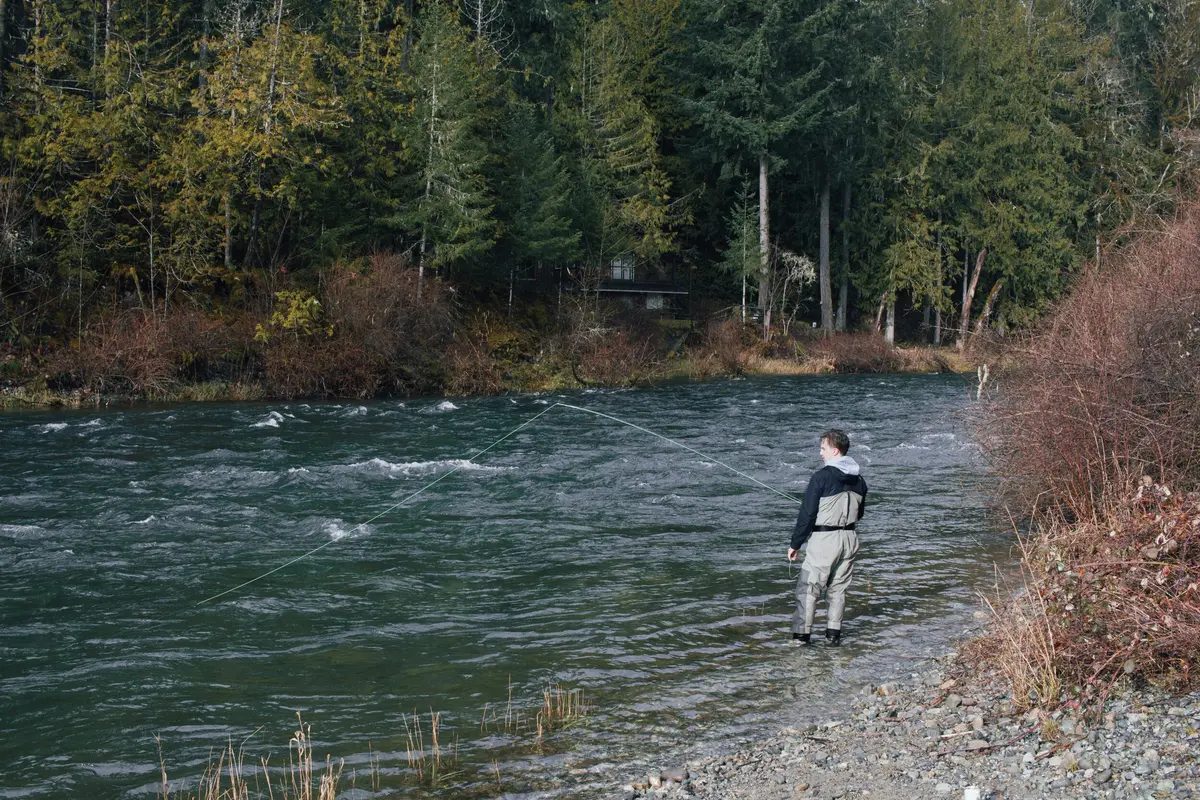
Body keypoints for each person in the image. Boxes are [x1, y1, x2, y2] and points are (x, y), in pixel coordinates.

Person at [787, 428, 867, 645]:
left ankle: (801, 639)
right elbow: (859, 513)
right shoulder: (859, 480)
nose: (820, 453)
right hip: (850, 539)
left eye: (823, 448)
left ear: (834, 450)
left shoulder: (821, 477)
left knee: (808, 589)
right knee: (838, 590)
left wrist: (795, 544)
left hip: (824, 540)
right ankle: (833, 638)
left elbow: (807, 515)